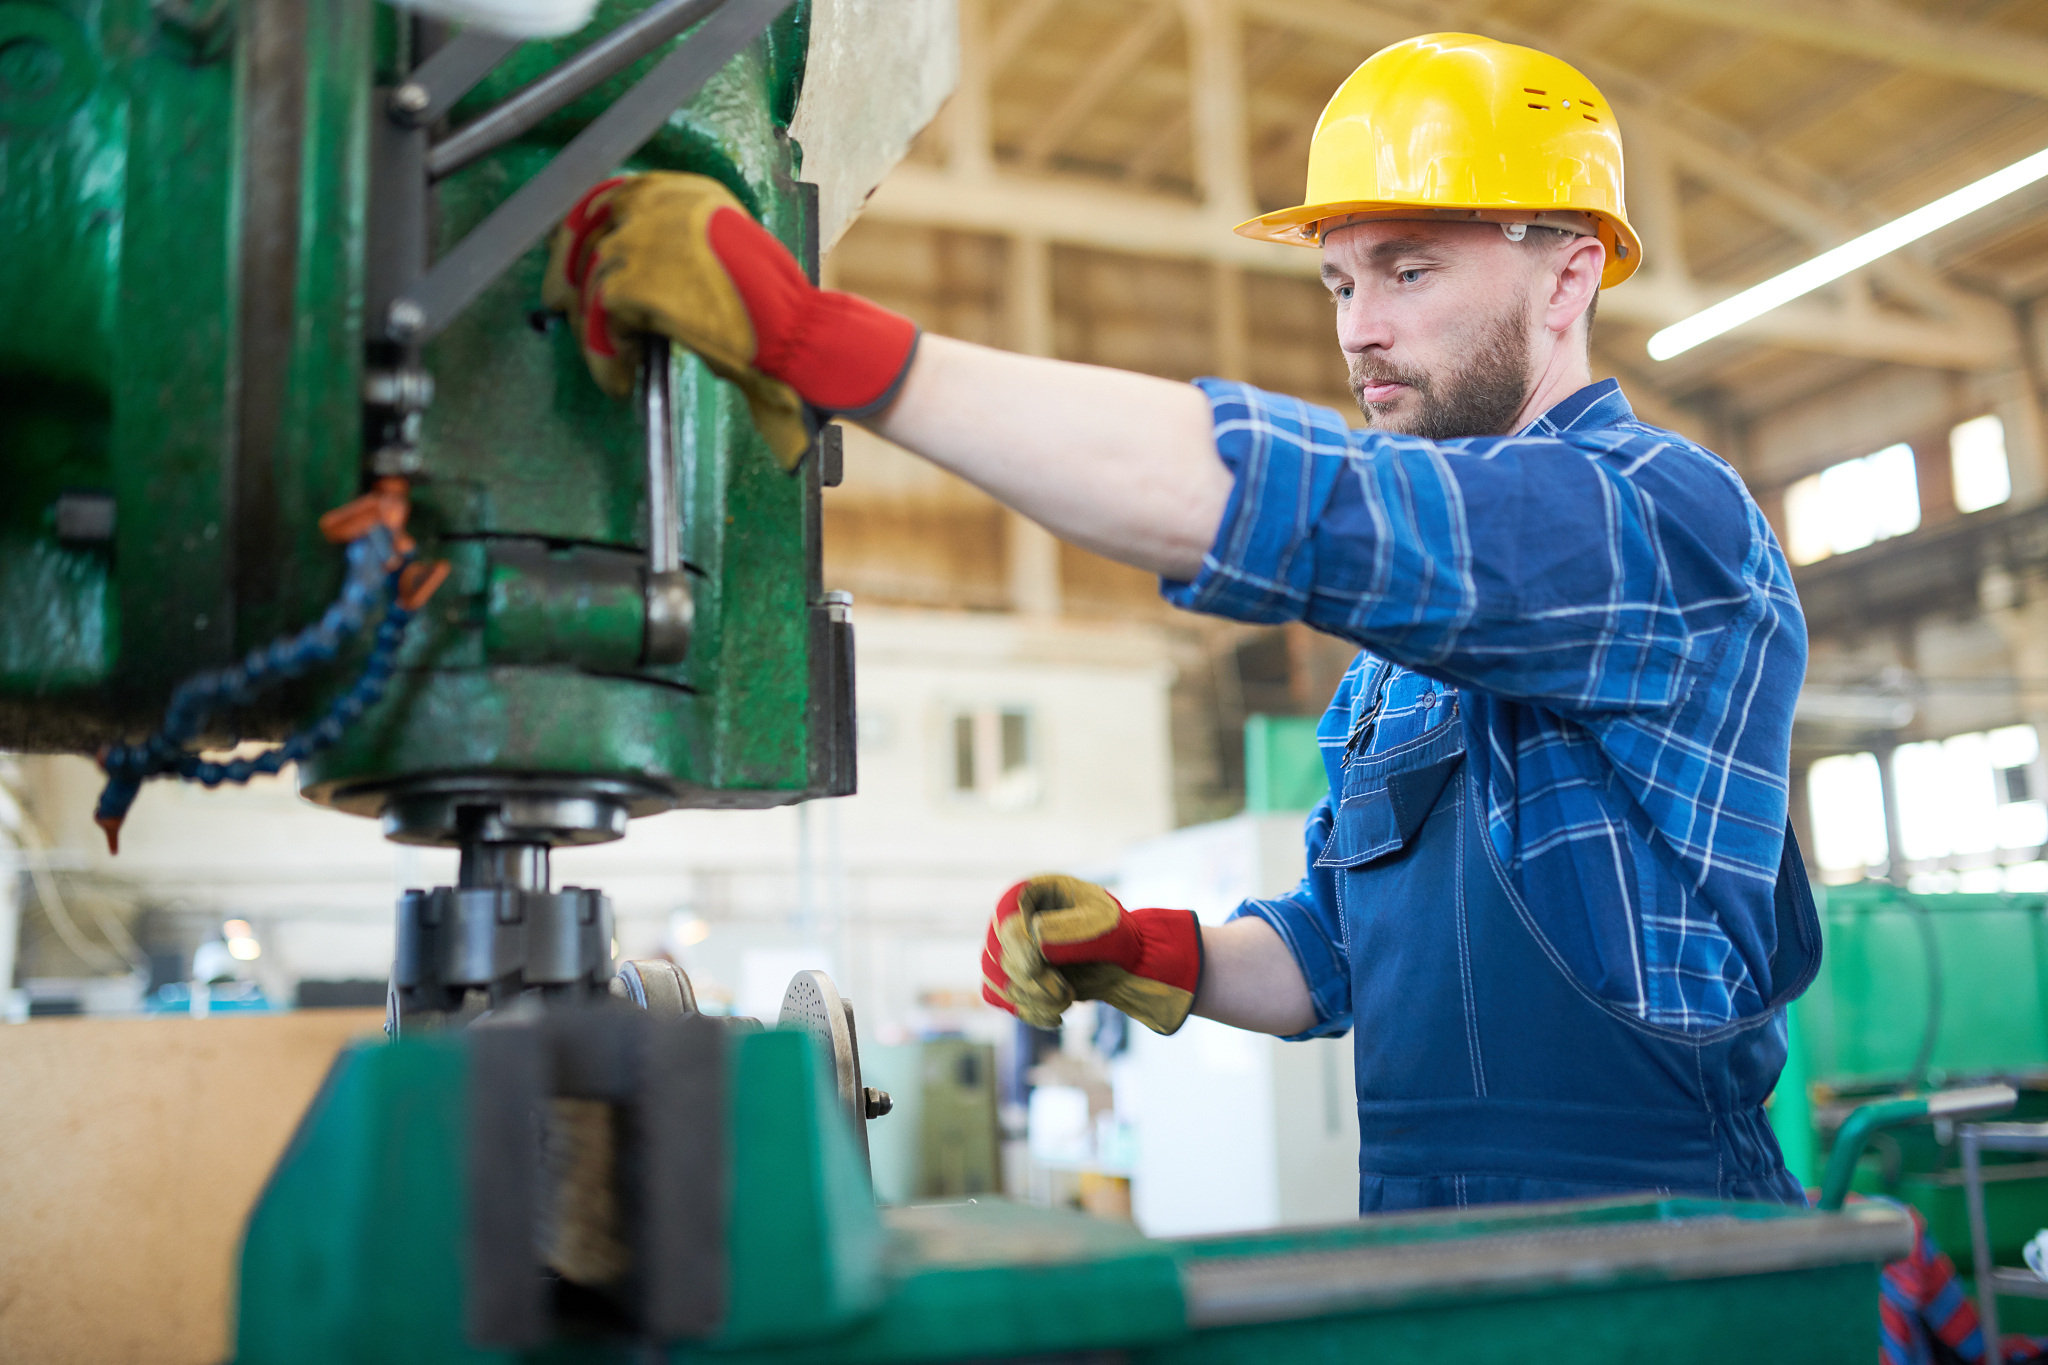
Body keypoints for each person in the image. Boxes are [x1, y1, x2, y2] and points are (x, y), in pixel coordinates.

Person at [545, 31, 1819, 1211]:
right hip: (1428, 1234)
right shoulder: (1402, 666)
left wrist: (820, 343)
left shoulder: (1659, 520)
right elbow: (1335, 958)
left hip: (1667, 1243)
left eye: (1408, 270)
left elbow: (1294, 500)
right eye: (1337, 282)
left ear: (1568, 274)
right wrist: (1157, 952)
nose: (1359, 329)